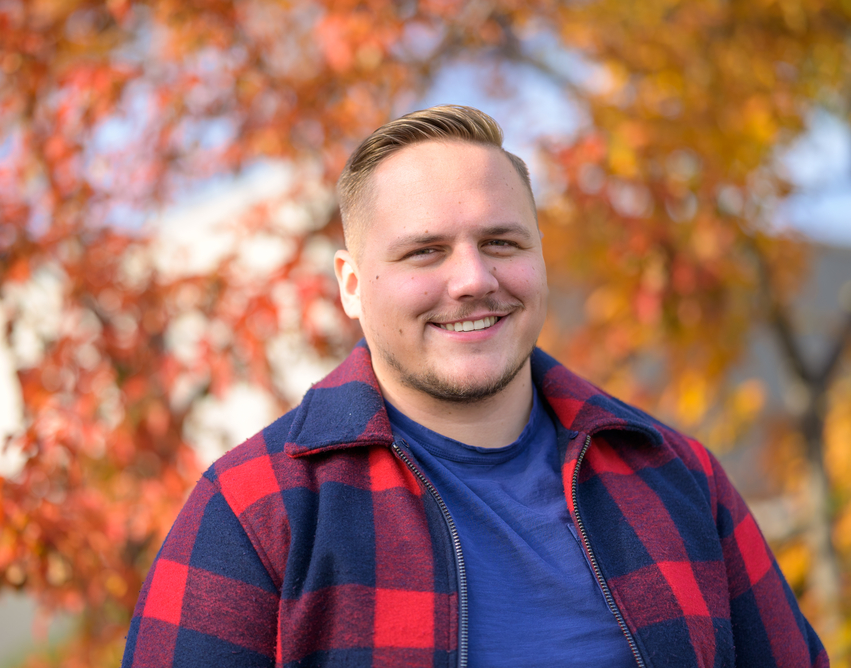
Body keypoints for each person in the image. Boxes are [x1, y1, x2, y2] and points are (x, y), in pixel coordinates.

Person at [120, 105, 828, 668]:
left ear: (539, 257)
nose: (473, 280)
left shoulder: (677, 477)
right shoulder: (255, 511)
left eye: (502, 243)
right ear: (350, 285)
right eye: (425, 251)